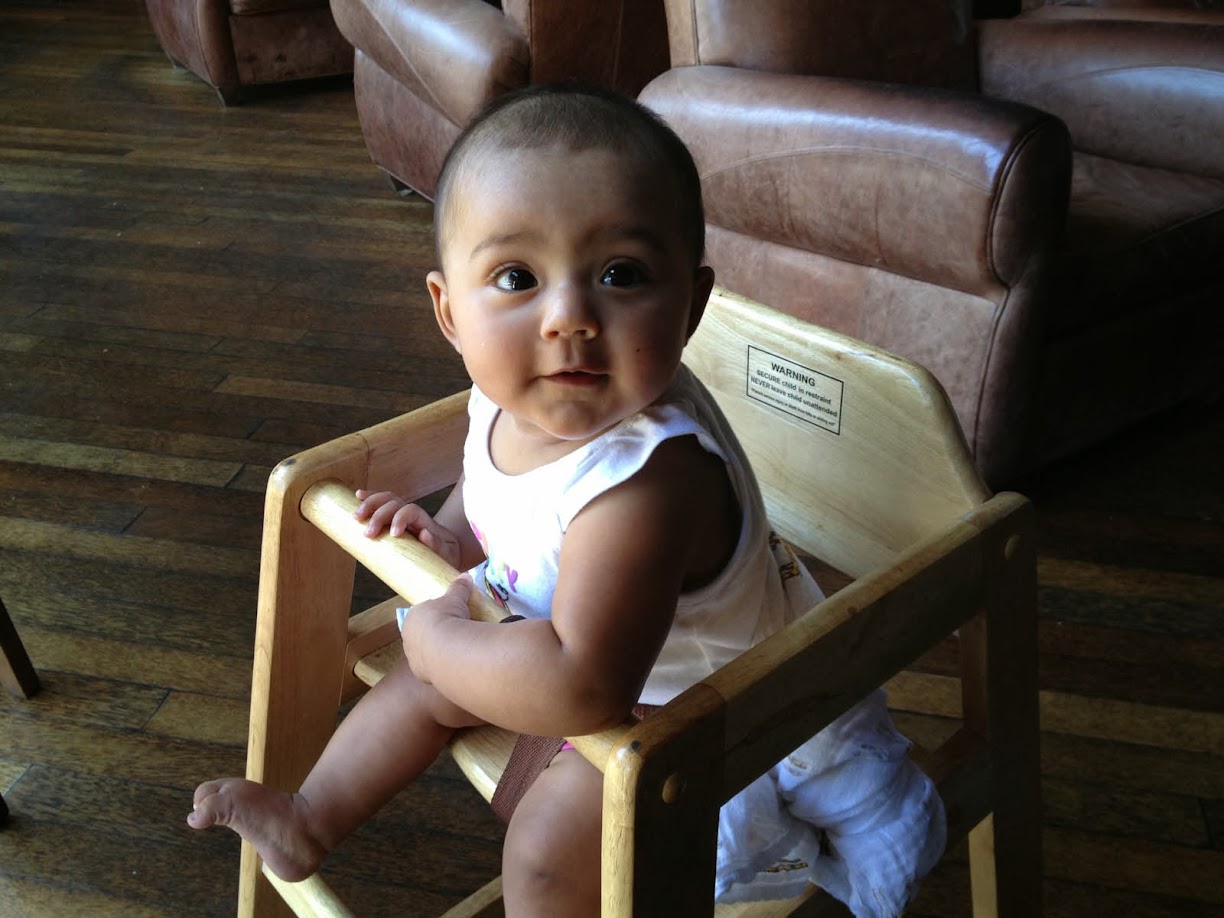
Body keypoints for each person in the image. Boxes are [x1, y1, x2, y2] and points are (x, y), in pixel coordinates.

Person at [188, 83, 944, 917]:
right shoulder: (509, 400)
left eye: (621, 274)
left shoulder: (647, 484)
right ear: (450, 311)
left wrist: (439, 649)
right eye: (517, 276)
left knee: (543, 849)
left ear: (690, 305)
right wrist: (448, 538)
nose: (569, 318)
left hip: (687, 709)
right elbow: (494, 491)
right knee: (419, 679)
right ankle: (308, 817)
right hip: (564, 642)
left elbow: (582, 688)